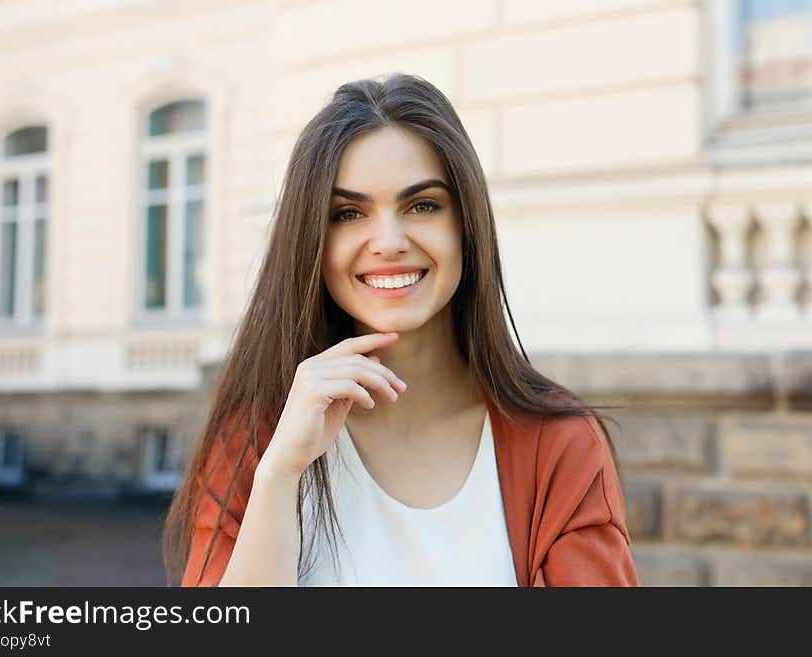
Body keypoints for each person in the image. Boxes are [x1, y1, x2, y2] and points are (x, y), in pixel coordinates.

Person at [163, 73, 638, 587]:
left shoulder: (558, 446)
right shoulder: (255, 444)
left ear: (466, 226)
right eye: (348, 213)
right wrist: (278, 476)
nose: (387, 241)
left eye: (422, 205)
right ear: (312, 243)